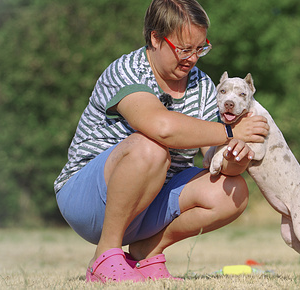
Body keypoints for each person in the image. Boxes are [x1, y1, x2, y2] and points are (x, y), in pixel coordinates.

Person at [54, 0, 269, 283]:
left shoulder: (202, 85)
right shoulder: (127, 70)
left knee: (234, 191)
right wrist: (232, 134)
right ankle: (105, 255)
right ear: (155, 37)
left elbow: (213, 158)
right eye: (184, 49)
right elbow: (162, 128)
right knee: (152, 147)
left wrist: (233, 156)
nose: (192, 58)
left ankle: (147, 252)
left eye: (200, 48)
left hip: (151, 199)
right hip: (88, 197)